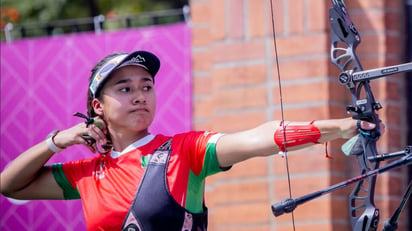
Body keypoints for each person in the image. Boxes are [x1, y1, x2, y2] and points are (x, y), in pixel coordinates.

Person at [0, 50, 379, 231]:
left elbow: (258, 138)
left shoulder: (183, 151)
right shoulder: (87, 173)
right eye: (125, 88)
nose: (139, 95)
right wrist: (58, 141)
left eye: (146, 86)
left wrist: (340, 128)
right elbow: (9, 185)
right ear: (97, 105)